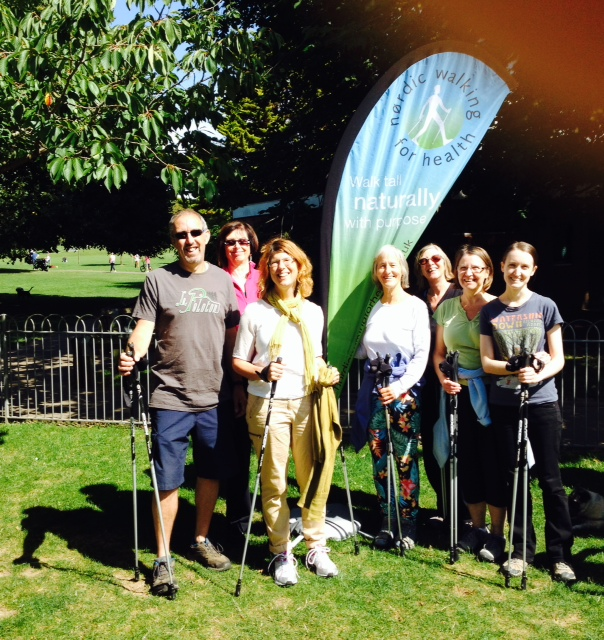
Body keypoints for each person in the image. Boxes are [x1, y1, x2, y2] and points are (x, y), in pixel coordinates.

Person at [118, 209, 246, 597]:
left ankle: (201, 540)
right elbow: (143, 330)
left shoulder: (223, 281)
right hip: (170, 396)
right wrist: (133, 355)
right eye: (180, 235)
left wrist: (238, 384)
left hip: (216, 396)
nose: (188, 240)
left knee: (210, 473)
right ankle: (162, 558)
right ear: (172, 240)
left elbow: (231, 339)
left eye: (195, 233)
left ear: (207, 236)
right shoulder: (158, 279)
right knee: (168, 479)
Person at [232, 237, 341, 587]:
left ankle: (315, 545)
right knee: (275, 480)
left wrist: (325, 371)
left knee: (313, 477)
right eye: (275, 263)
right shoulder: (256, 312)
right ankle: (281, 551)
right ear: (267, 270)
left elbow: (316, 355)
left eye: (288, 261)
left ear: (300, 267)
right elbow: (237, 361)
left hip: (307, 402)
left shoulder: (313, 311)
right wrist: (260, 371)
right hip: (267, 403)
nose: (282, 268)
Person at [480, 241, 576, 584]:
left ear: (533, 270)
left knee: (551, 480)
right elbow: (487, 363)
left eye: (524, 266)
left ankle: (559, 555)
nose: (517, 272)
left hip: (543, 404)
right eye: (512, 265)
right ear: (502, 268)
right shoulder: (490, 311)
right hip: (506, 405)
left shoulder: (545, 306)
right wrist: (514, 367)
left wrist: (537, 373)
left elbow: (558, 358)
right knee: (515, 479)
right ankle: (520, 551)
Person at [352, 244, 430, 550]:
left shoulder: (415, 307)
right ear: (376, 271)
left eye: (393, 265)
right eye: (382, 266)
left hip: (404, 396)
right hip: (375, 393)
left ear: (403, 270)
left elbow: (421, 355)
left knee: (405, 459)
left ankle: (408, 523)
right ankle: (386, 520)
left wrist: (399, 388)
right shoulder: (373, 307)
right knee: (379, 459)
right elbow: (362, 350)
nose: (388, 271)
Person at [433, 245, 506, 560]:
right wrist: (443, 379)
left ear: (488, 273)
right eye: (464, 268)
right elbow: (439, 354)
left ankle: (498, 535)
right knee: (467, 463)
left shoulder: (498, 307)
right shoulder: (447, 309)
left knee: (493, 464)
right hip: (457, 396)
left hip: (491, 396)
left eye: (476, 268)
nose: (469, 273)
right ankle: (477, 530)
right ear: (456, 272)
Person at [216, 220, 261, 533]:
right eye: (231, 242)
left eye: (243, 241)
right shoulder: (215, 280)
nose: (237, 247)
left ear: (251, 243)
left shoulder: (266, 275)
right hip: (227, 372)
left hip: (267, 372)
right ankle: (239, 517)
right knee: (237, 446)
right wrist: (235, 384)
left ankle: (279, 512)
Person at [414, 243, 462, 523]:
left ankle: (466, 509)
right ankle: (445, 507)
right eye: (424, 261)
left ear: (445, 263)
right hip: (426, 383)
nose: (430, 263)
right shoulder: (418, 300)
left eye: (435, 258)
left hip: (458, 381)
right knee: (432, 443)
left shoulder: (460, 295)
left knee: (461, 444)